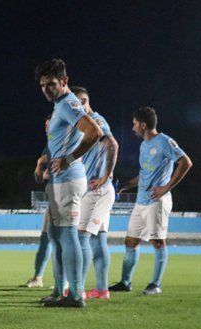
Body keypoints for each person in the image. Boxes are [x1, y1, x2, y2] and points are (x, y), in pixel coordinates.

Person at [35, 59, 103, 308]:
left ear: (64, 81)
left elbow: (94, 132)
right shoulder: (60, 105)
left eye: (51, 84)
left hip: (68, 180)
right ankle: (58, 290)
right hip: (59, 181)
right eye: (42, 85)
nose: (46, 89)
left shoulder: (68, 103)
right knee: (55, 234)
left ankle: (76, 294)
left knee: (67, 234)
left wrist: (69, 158)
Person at [109, 107, 192, 295]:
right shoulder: (144, 145)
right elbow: (144, 174)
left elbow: (185, 162)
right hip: (141, 201)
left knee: (158, 242)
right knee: (130, 241)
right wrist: (126, 185)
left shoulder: (165, 142)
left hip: (157, 201)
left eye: (134, 123)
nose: (133, 128)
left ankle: (155, 285)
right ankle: (125, 282)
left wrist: (166, 187)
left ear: (143, 125)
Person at [71, 86, 119, 300]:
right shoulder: (84, 125)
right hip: (97, 189)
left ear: (85, 101)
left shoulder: (97, 121)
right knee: (98, 241)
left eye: (81, 101)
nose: (78, 106)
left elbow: (112, 144)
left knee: (82, 237)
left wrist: (106, 175)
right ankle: (102, 290)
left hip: (96, 190)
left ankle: (78, 289)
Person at [26, 114, 56, 288]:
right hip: (53, 196)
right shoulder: (49, 147)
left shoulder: (65, 143)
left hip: (66, 195)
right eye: (45, 126)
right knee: (45, 237)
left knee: (62, 238)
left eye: (50, 125)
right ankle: (38, 278)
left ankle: (65, 281)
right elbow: (38, 178)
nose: (47, 129)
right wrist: (40, 167)